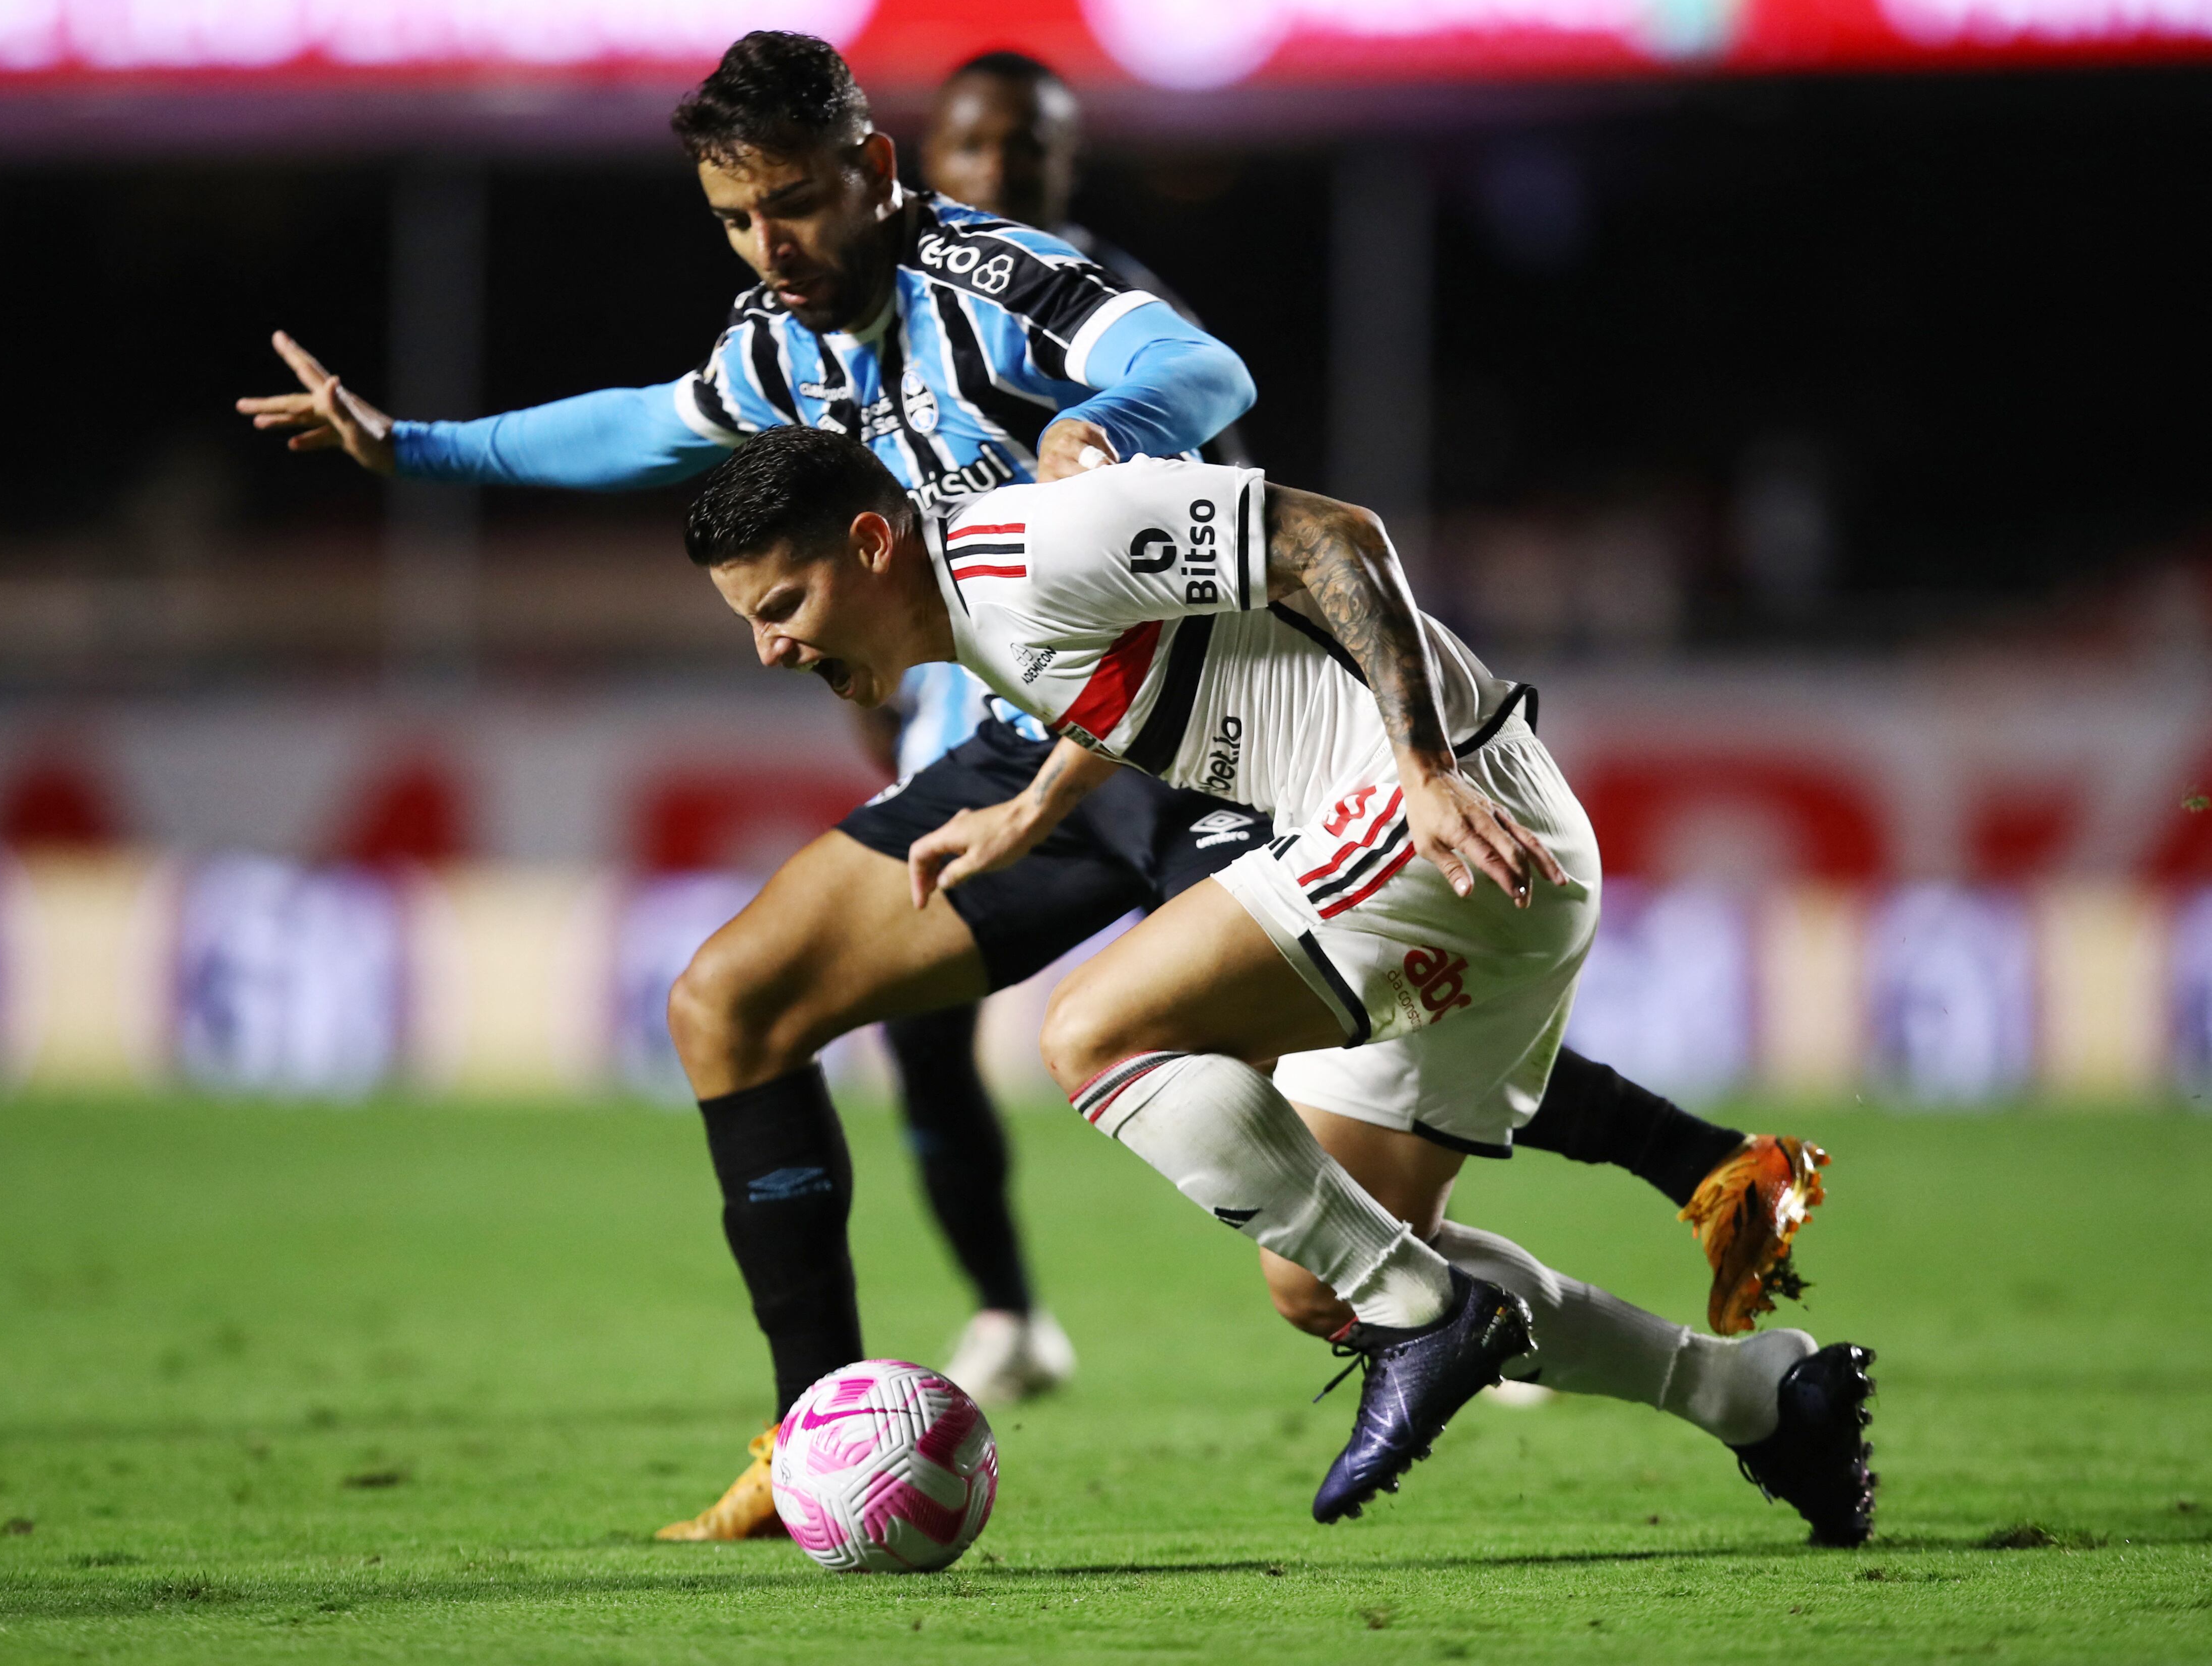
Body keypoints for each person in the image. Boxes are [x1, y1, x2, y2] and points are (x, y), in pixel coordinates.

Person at [236, 30, 1829, 1542]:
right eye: (736, 219)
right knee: (733, 1004)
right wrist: (419, 448)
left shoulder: (1001, 276)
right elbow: (640, 432)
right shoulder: (778, 346)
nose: (771, 243)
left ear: (873, 164)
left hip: (1236, 733)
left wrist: (1102, 429)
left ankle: (1651, 1194)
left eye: (794, 201)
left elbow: (1199, 371)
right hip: (1062, 733)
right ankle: (817, 1439)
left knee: (1266, 1140)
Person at [685, 424, 1878, 1541]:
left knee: (1094, 1031)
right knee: (1315, 1277)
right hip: (1497, 870)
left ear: (872, 543)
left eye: (784, 606)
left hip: (1433, 823)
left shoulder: (1025, 545)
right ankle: (1759, 1398)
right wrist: (1028, 810)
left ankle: (1431, 1311)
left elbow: (1335, 537)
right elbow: (1141, 682)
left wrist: (1419, 764)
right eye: (750, 622)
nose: (771, 648)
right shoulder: (992, 613)